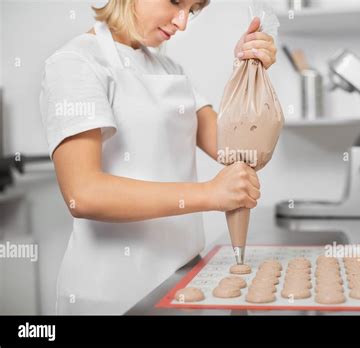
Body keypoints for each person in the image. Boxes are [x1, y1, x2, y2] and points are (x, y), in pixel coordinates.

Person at [39, 0, 277, 314]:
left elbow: (232, 149)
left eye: (192, 10)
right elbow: (83, 194)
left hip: (183, 281)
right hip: (113, 297)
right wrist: (209, 193)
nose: (182, 23)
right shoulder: (75, 62)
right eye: (176, 1)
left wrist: (248, 72)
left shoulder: (170, 70)